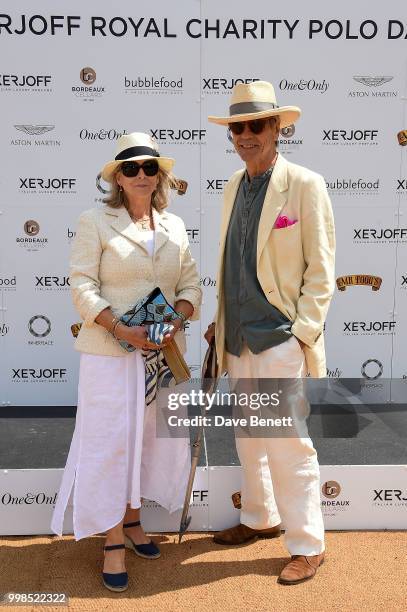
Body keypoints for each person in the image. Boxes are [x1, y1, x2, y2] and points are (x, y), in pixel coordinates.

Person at [51, 132, 202, 592]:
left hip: (162, 354)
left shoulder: (175, 227)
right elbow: (81, 285)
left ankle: (134, 520)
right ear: (117, 176)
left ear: (161, 176)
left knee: (150, 441)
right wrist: (121, 329)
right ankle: (113, 538)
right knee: (112, 442)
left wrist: (177, 319)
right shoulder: (95, 220)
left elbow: (191, 285)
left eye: (150, 167)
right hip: (109, 353)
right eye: (131, 167)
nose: (141, 174)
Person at [205, 81, 335, 585]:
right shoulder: (233, 187)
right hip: (237, 337)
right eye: (238, 126)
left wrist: (301, 334)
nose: (245, 135)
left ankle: (308, 544)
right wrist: (221, 318)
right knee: (248, 438)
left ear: (279, 128)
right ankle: (260, 518)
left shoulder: (305, 184)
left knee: (287, 443)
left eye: (256, 125)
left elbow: (321, 273)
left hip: (279, 337)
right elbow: (234, 263)